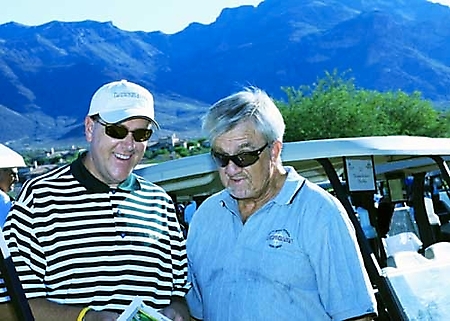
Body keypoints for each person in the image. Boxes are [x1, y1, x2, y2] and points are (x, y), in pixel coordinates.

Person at [0, 79, 190, 321]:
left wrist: (177, 311)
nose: (129, 144)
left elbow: (178, 293)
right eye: (117, 130)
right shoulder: (40, 199)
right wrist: (84, 317)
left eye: (141, 134)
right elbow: (9, 305)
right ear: (89, 128)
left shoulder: (160, 203)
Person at [185, 87, 377, 320]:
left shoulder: (318, 212)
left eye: (243, 157)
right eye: (221, 158)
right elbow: (195, 312)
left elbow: (356, 315)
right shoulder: (206, 216)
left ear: (274, 150)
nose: (231, 169)